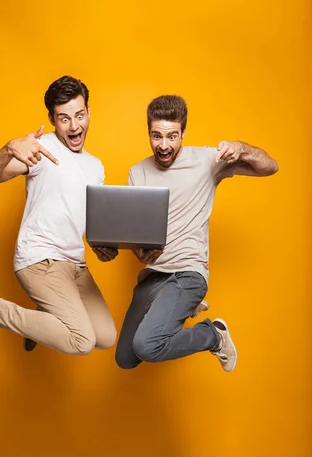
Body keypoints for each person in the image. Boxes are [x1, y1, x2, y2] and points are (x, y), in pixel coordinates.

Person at [0, 76, 116, 355]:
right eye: (64, 118)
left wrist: (100, 243)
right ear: (52, 119)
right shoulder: (40, 149)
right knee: (81, 342)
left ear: (89, 112)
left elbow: (81, 216)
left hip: (75, 265)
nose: (74, 126)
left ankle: (41, 319)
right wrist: (9, 148)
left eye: (79, 115)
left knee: (105, 336)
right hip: (40, 260)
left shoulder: (95, 166)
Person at [113, 94, 278, 372]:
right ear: (148, 132)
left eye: (172, 136)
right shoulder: (137, 173)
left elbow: (270, 167)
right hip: (153, 276)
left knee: (146, 345)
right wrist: (137, 250)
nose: (163, 145)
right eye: (156, 136)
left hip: (187, 272)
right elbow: (137, 236)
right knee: (126, 358)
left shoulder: (207, 160)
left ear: (183, 133)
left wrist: (242, 149)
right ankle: (181, 307)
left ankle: (213, 335)